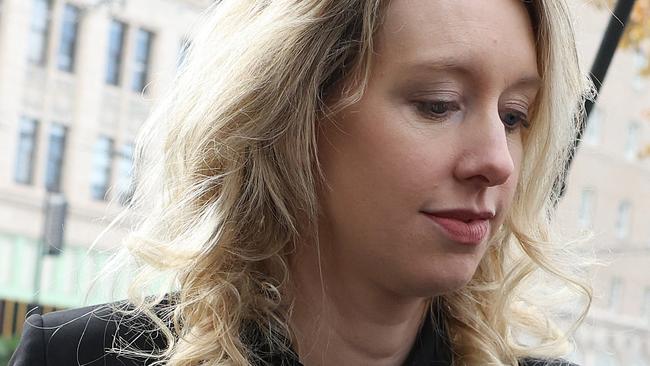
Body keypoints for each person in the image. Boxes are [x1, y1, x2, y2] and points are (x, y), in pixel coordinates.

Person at [10, 0, 593, 365]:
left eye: (514, 115)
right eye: (438, 104)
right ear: (295, 113)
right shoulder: (79, 357)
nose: (497, 160)